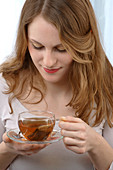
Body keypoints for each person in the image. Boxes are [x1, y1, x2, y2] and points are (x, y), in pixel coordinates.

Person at [0, 0, 113, 169]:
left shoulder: (106, 86)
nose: (48, 62)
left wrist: (96, 144)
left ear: (84, 41)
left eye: (61, 49)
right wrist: (8, 149)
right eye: (37, 46)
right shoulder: (6, 85)